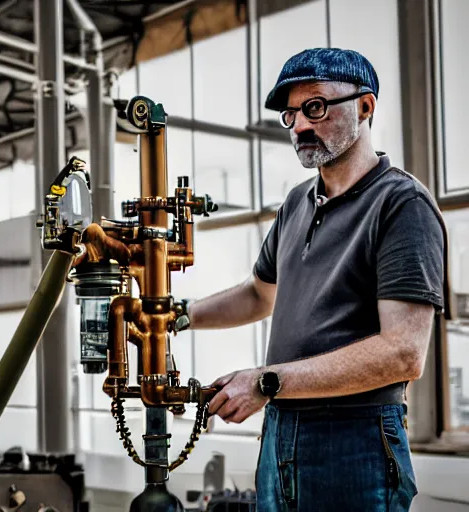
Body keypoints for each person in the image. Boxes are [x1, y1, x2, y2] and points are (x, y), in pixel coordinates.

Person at [176, 48, 450, 511]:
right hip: (282, 431)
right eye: (291, 114)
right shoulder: (297, 203)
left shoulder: (401, 205)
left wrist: (265, 382)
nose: (300, 125)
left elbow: (403, 353)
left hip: (356, 436)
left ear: (365, 107)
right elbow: (259, 295)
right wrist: (178, 317)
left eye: (316, 107)